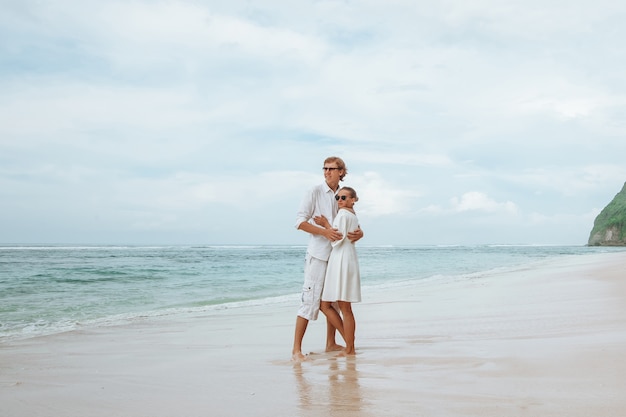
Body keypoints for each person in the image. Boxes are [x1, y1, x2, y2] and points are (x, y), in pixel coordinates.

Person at [291, 157, 363, 362]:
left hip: (337, 256)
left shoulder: (344, 194)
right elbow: (299, 222)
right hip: (318, 255)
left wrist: (361, 233)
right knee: (310, 300)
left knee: (333, 302)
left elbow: (351, 219)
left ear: (341, 171)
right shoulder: (314, 192)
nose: (327, 172)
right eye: (325, 168)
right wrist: (324, 231)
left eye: (332, 169)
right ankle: (296, 350)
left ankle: (332, 343)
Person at [320, 186, 361, 356]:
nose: (340, 201)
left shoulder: (343, 215)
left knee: (338, 306)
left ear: (353, 200)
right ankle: (349, 344)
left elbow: (336, 237)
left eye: (344, 197)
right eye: (338, 198)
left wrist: (325, 224)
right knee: (340, 306)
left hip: (342, 259)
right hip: (346, 258)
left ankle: (350, 347)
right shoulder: (352, 215)